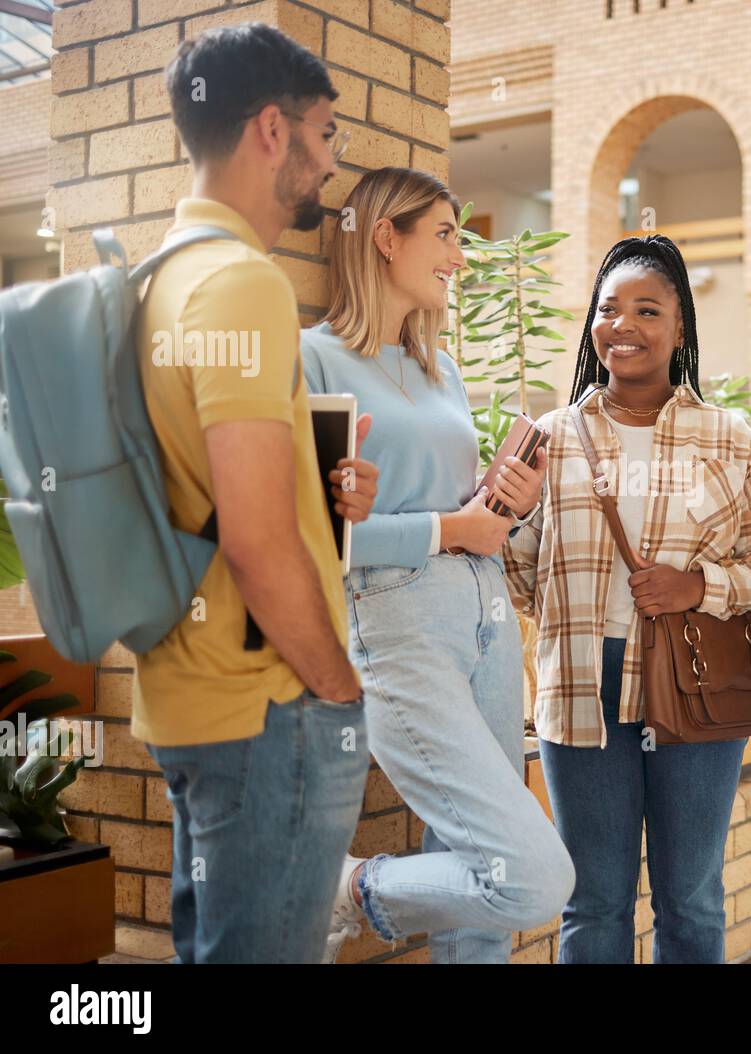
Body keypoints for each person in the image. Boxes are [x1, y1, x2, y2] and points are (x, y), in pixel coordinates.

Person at [134, 24, 379, 963]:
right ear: (273, 131)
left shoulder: (157, 277)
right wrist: (338, 687)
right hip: (267, 706)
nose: (330, 162)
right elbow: (255, 540)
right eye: (327, 134)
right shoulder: (241, 284)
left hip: (192, 693)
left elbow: (192, 483)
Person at [300, 166, 574, 963]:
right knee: (529, 874)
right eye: (447, 234)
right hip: (396, 621)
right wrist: (452, 526)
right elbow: (316, 532)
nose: (459, 253)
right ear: (387, 237)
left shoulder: (439, 365)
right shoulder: (312, 359)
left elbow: (464, 515)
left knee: (484, 893)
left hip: (485, 613)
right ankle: (349, 891)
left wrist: (503, 499)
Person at [503, 235, 751, 963]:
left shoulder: (729, 438)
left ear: (680, 328)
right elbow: (517, 576)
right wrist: (500, 510)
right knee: (592, 901)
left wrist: (698, 587)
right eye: (608, 308)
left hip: (695, 685)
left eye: (646, 309)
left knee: (690, 899)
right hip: (580, 688)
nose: (621, 324)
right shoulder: (552, 438)